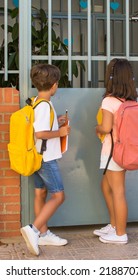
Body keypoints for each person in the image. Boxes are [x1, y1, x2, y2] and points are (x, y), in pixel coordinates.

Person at [20, 64, 70, 256]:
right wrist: (61, 132)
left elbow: (39, 126)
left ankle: (43, 233)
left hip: (38, 157)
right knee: (59, 196)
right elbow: (40, 133)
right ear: (54, 85)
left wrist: (56, 122)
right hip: (46, 159)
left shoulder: (36, 102)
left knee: (40, 193)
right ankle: (33, 230)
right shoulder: (44, 105)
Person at [94, 58, 138, 244]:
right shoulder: (129, 100)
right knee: (106, 186)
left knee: (117, 191)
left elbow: (105, 128)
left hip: (112, 152)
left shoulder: (109, 100)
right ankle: (113, 226)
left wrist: (96, 128)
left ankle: (120, 234)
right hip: (124, 151)